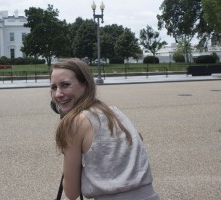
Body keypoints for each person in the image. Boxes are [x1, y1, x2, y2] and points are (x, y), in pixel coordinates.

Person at [50, 58, 160, 200]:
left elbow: (72, 193)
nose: (58, 94)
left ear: (85, 85)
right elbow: (138, 139)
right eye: (54, 87)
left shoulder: (75, 123)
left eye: (65, 85)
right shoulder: (115, 112)